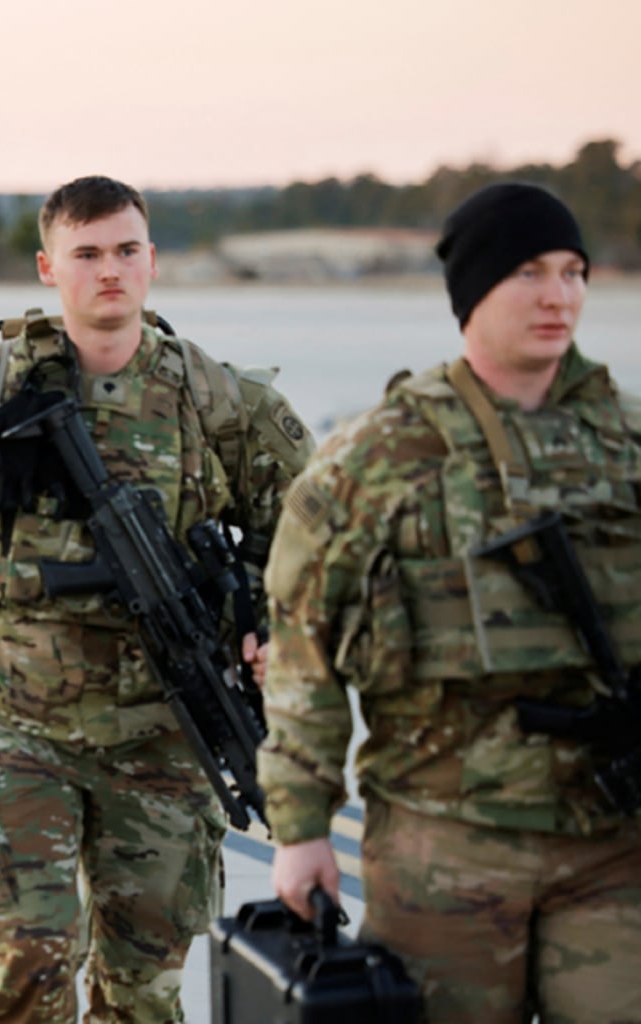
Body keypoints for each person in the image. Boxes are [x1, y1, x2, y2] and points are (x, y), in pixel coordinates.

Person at [0, 175, 314, 1023]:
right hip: (20, 724)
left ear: (152, 260)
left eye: (127, 250)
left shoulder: (220, 400)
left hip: (168, 730)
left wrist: (274, 627)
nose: (110, 270)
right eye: (87, 253)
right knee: (28, 957)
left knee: (144, 985)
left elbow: (312, 540)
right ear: (48, 266)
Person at [259, 182, 641, 1024]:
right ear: (473, 292)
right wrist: (301, 827)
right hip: (442, 848)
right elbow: (302, 646)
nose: (558, 296)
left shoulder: (628, 442)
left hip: (612, 849)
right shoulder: (381, 455)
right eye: (529, 272)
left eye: (574, 271)